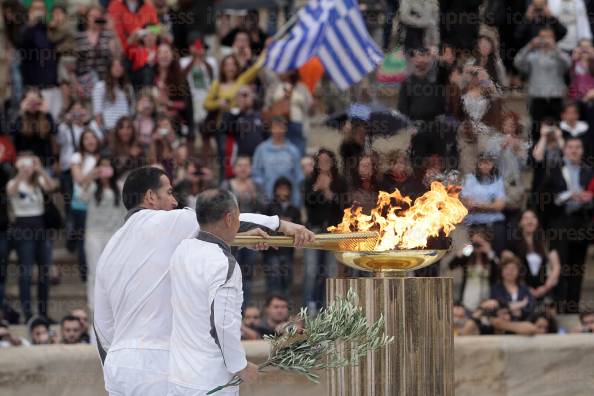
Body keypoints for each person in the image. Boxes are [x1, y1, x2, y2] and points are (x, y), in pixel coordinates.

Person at [94, 167, 313, 396]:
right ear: (150, 196)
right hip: (156, 364)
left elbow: (102, 327)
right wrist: (281, 224)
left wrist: (114, 368)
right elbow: (217, 217)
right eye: (169, 192)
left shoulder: (108, 251)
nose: (174, 200)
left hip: (118, 367)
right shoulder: (166, 222)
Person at [167, 188, 271, 396]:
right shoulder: (224, 264)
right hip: (211, 382)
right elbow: (223, 324)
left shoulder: (181, 249)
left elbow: (210, 245)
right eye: (239, 217)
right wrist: (240, 366)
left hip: (178, 377)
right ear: (230, 218)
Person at [541, 137, 593, 313]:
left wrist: (588, 199)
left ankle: (572, 309)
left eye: (578, 147)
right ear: (565, 150)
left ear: (582, 151)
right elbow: (544, 198)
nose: (574, 150)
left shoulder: (589, 172)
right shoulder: (555, 171)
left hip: (581, 224)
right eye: (570, 147)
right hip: (559, 223)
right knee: (559, 266)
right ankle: (558, 309)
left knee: (577, 268)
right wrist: (568, 195)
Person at [7, 154, 56, 322]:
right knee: (26, 272)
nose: (27, 167)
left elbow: (51, 187)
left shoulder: (38, 183)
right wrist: (21, 173)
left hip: (40, 225)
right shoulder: (13, 183)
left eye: (29, 164)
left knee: (44, 272)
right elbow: (11, 192)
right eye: (24, 164)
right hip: (22, 227)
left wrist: (40, 169)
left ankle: (43, 312)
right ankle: (27, 313)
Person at [303, 149, 347, 313]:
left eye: (326, 160)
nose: (323, 163)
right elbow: (307, 204)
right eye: (320, 160)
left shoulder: (340, 182)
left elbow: (344, 207)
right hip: (314, 230)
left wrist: (328, 190)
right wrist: (316, 188)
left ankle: (330, 310)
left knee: (331, 271)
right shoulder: (310, 180)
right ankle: (308, 309)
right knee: (311, 271)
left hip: (333, 231)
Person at [80, 156, 126, 310]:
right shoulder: (92, 186)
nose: (105, 170)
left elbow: (127, 209)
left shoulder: (119, 187)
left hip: (114, 234)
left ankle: (113, 305)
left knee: (113, 271)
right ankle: (93, 306)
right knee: (94, 270)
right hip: (94, 233)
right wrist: (92, 175)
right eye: (102, 167)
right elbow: (80, 197)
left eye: (108, 166)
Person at [220, 156, 266, 307]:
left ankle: (244, 309)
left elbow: (265, 207)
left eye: (246, 166)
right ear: (234, 168)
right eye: (240, 165)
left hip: (250, 234)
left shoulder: (256, 185)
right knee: (230, 271)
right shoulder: (227, 184)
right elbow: (220, 207)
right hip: (231, 235)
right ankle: (228, 305)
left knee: (247, 273)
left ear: (251, 168)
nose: (243, 169)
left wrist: (253, 194)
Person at [515, 26, 572, 142]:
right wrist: (529, 46)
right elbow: (518, 63)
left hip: (556, 98)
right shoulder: (533, 56)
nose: (545, 40)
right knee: (536, 131)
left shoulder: (559, 54)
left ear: (554, 38)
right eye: (542, 37)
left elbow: (568, 64)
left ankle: (560, 154)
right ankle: (535, 156)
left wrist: (555, 48)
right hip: (537, 98)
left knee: (559, 129)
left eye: (548, 37)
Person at [506, 210, 561, 303]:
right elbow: (508, 269)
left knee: (547, 311)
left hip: (544, 288)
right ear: (520, 223)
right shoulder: (513, 244)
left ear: (537, 221)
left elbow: (556, 266)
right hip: (521, 289)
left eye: (533, 218)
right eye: (526, 218)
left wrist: (546, 287)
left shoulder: (546, 242)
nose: (530, 221)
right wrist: (525, 288)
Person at [69, 129, 102, 282]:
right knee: (83, 239)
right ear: (81, 142)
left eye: (92, 137)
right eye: (86, 138)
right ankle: (85, 273)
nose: (90, 141)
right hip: (80, 204)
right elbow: (79, 180)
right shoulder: (77, 157)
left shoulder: (103, 157)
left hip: (98, 204)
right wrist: (95, 172)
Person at [460, 152, 507, 255]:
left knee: (498, 251)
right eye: (482, 163)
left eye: (488, 163)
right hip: (475, 223)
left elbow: (500, 206)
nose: (485, 166)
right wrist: (490, 206)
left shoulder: (498, 179)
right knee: (472, 253)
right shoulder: (469, 179)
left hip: (495, 222)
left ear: (493, 164)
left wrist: (478, 205)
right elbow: (468, 204)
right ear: (478, 164)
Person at [263, 177, 301, 299]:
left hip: (288, 249)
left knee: (287, 279)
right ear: (275, 190)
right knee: (273, 279)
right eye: (280, 188)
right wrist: (281, 224)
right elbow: (264, 226)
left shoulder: (295, 210)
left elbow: (299, 226)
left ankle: (286, 307)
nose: (283, 191)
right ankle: (272, 305)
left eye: (285, 189)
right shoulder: (269, 207)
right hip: (271, 250)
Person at [252, 116, 303, 207]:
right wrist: (264, 193)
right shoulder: (261, 149)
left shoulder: (293, 150)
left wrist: (296, 201)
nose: (278, 131)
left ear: (286, 129)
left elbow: (298, 177)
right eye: (275, 127)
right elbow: (256, 174)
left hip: (288, 202)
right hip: (267, 200)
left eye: (281, 127)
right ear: (271, 129)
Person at [264, 70, 314, 157]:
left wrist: (312, 105)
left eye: (291, 70)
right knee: (279, 155)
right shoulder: (274, 87)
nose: (288, 73)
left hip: (297, 126)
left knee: (298, 154)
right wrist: (283, 99)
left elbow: (310, 111)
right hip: (279, 126)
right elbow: (267, 106)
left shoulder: (302, 88)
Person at [449, 229, 499, 312]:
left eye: (480, 244)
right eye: (475, 244)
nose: (477, 246)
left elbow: (498, 271)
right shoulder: (467, 258)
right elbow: (451, 266)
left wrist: (489, 252)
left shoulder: (490, 258)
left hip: (486, 297)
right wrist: (461, 253)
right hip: (468, 298)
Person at [74, 5, 117, 95]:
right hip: (84, 82)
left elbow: (116, 56)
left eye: (97, 17)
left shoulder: (108, 35)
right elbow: (73, 64)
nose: (95, 19)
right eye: (92, 16)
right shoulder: (79, 37)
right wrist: (76, 84)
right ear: (86, 18)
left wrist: (112, 29)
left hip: (105, 82)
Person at [11, 89, 56, 168]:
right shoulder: (20, 118)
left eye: (35, 101)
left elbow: (55, 131)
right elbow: (13, 135)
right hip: (25, 162)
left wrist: (47, 113)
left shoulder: (46, 117)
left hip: (44, 162)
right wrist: (21, 113)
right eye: (29, 101)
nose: (32, 104)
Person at [92, 58, 134, 132]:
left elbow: (131, 112)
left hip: (125, 131)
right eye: (114, 66)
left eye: (120, 66)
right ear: (109, 69)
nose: (118, 68)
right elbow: (98, 114)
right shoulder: (100, 86)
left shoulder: (128, 87)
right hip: (109, 130)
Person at [490, 255, 536, 321]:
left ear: (518, 271)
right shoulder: (496, 288)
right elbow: (497, 307)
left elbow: (530, 305)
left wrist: (520, 312)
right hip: (502, 322)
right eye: (506, 268)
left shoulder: (524, 288)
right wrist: (521, 304)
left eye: (513, 269)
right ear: (501, 271)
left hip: (522, 321)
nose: (510, 271)